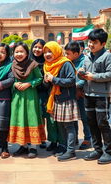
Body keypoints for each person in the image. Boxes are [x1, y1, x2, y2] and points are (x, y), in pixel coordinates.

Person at [78, 29, 111, 164]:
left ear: (103, 44)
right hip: (88, 94)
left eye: (94, 42)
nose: (91, 45)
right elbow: (85, 74)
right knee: (92, 122)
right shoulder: (87, 57)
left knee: (102, 123)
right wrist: (81, 73)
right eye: (90, 42)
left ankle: (108, 152)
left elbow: (110, 74)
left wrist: (94, 77)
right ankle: (97, 150)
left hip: (101, 95)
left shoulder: (107, 56)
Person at [8, 42, 46, 158]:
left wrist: (29, 83)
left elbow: (40, 78)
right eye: (16, 52)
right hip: (17, 97)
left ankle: (33, 147)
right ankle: (23, 146)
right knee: (20, 119)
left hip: (30, 96)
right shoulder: (12, 65)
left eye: (21, 51)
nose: (19, 54)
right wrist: (15, 84)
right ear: (13, 53)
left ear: (27, 53)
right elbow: (9, 79)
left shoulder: (33, 64)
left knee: (31, 118)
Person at [43, 41, 79, 162]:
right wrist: (46, 81)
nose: (47, 54)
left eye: (50, 51)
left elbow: (71, 80)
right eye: (45, 52)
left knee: (68, 126)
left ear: (57, 51)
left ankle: (71, 151)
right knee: (61, 125)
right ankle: (65, 148)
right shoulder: (48, 65)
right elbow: (48, 85)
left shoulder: (65, 63)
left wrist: (54, 79)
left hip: (66, 99)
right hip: (56, 99)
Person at [65, 41, 91, 150]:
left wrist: (76, 87)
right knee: (73, 117)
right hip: (72, 93)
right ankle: (74, 138)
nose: (66, 56)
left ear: (76, 53)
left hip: (82, 93)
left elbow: (85, 78)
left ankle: (87, 139)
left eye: (68, 54)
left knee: (85, 118)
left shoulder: (85, 61)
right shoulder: (68, 61)